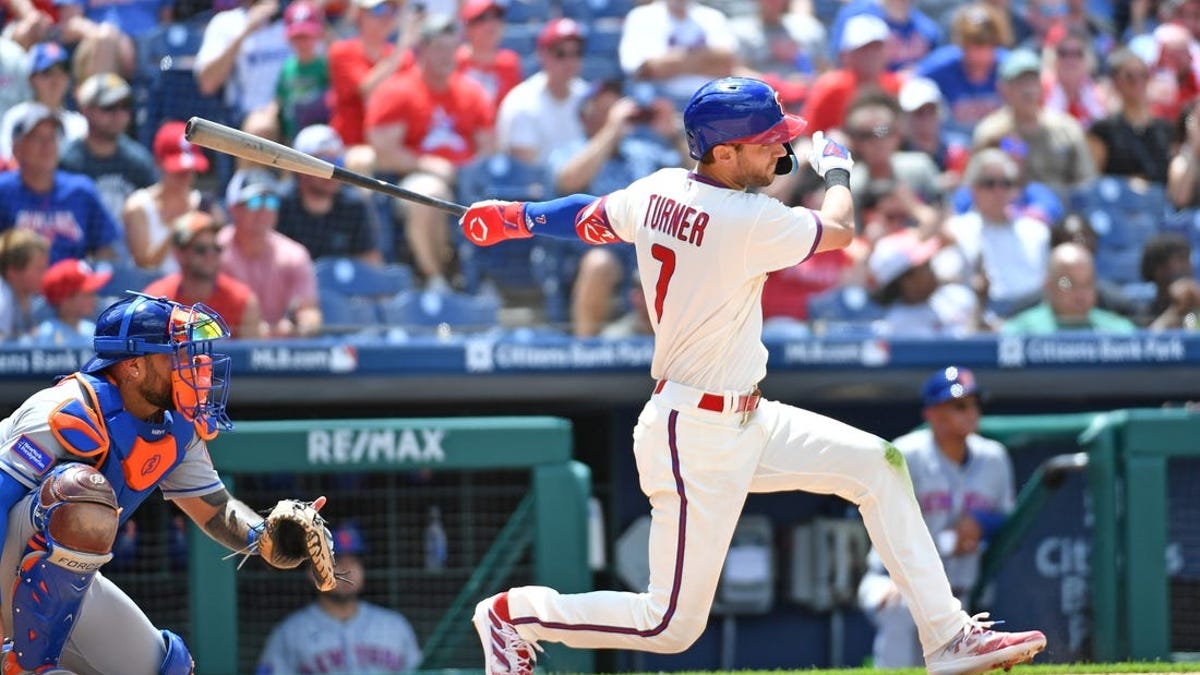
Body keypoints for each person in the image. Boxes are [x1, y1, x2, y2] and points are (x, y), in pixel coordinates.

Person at [456, 75, 1046, 675]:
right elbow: (840, 229)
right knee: (669, 625)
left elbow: (586, 216)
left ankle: (948, 636)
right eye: (765, 141)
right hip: (694, 434)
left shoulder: (657, 189)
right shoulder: (745, 218)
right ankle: (513, 616)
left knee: (878, 465)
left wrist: (514, 216)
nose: (779, 151)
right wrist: (838, 172)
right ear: (724, 151)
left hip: (747, 418)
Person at [0, 293, 326, 673]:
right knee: (80, 494)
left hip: (57, 578)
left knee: (168, 667)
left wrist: (263, 535)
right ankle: (24, 664)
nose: (193, 364)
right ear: (133, 366)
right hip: (8, 548)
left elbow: (217, 510)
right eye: (175, 354)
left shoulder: (175, 427)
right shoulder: (66, 408)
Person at [858, 366, 1016, 668]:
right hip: (892, 580)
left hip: (957, 592)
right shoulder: (905, 454)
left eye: (974, 404)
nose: (971, 412)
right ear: (932, 414)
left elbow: (1006, 516)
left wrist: (981, 524)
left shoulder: (994, 458)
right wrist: (947, 540)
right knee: (903, 611)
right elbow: (883, 517)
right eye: (959, 405)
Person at [364, 12, 494, 288]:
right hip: (409, 180)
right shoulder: (397, 91)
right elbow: (385, 153)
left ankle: (485, 280)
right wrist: (428, 164)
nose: (448, 56)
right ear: (422, 49)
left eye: (452, 48)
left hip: (466, 181)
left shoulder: (471, 92)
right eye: (439, 48)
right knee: (430, 194)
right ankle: (437, 279)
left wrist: (465, 172)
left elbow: (488, 148)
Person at [256, 522, 423, 675]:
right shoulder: (290, 633)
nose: (346, 568)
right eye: (334, 561)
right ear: (311, 572)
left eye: (353, 560)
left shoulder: (395, 627)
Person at [0, 103, 120, 265]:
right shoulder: (4, 192)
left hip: (71, 286)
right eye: (37, 138)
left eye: (52, 137)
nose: (47, 145)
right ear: (17, 149)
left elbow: (106, 250)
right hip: (16, 288)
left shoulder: (80, 191)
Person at [974, 48, 1097, 203]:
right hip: (1010, 212)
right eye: (1019, 82)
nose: (1027, 89)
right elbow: (975, 185)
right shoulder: (990, 132)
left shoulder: (1067, 128)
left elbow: (1087, 181)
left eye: (1032, 81)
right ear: (1002, 88)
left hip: (1063, 213)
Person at [219, 168, 322, 337]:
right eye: (255, 202)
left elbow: (309, 311)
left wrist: (302, 325)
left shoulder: (294, 254)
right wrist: (253, 330)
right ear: (234, 208)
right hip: (229, 353)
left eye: (271, 202)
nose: (264, 210)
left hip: (284, 357)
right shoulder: (213, 252)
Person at [59, 72, 157, 238]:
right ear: (86, 110)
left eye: (125, 106)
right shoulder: (68, 161)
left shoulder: (138, 160)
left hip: (130, 252)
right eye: (109, 107)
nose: (119, 114)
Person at [143, 210, 266, 339]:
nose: (210, 255)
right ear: (179, 254)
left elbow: (249, 356)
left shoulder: (242, 301)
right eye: (201, 249)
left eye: (216, 248)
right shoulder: (156, 301)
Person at [123, 120, 222, 275]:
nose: (185, 177)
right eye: (178, 171)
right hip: (152, 296)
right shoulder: (139, 206)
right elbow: (145, 264)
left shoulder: (206, 205)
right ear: (158, 163)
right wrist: (176, 228)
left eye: (189, 170)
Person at [277, 124, 384, 264]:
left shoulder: (354, 206)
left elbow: (370, 261)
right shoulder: (279, 204)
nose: (332, 173)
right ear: (300, 168)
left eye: (338, 163)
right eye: (324, 163)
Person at [495, 17, 590, 165]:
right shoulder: (522, 102)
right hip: (537, 186)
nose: (569, 61)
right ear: (543, 55)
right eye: (560, 53)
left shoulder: (587, 96)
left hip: (584, 184)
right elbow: (526, 169)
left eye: (576, 53)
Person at [1002, 242, 1139, 333]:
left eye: (1087, 283)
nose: (1080, 293)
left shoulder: (1119, 332)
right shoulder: (1019, 333)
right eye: (1068, 284)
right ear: (1048, 285)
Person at [28, 257, 110, 346]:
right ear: (65, 299)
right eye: (88, 293)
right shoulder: (46, 335)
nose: (94, 298)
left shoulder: (91, 330)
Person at [0, 229, 50, 341]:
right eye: (39, 269)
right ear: (13, 272)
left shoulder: (27, 296)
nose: (45, 274)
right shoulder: (2, 301)